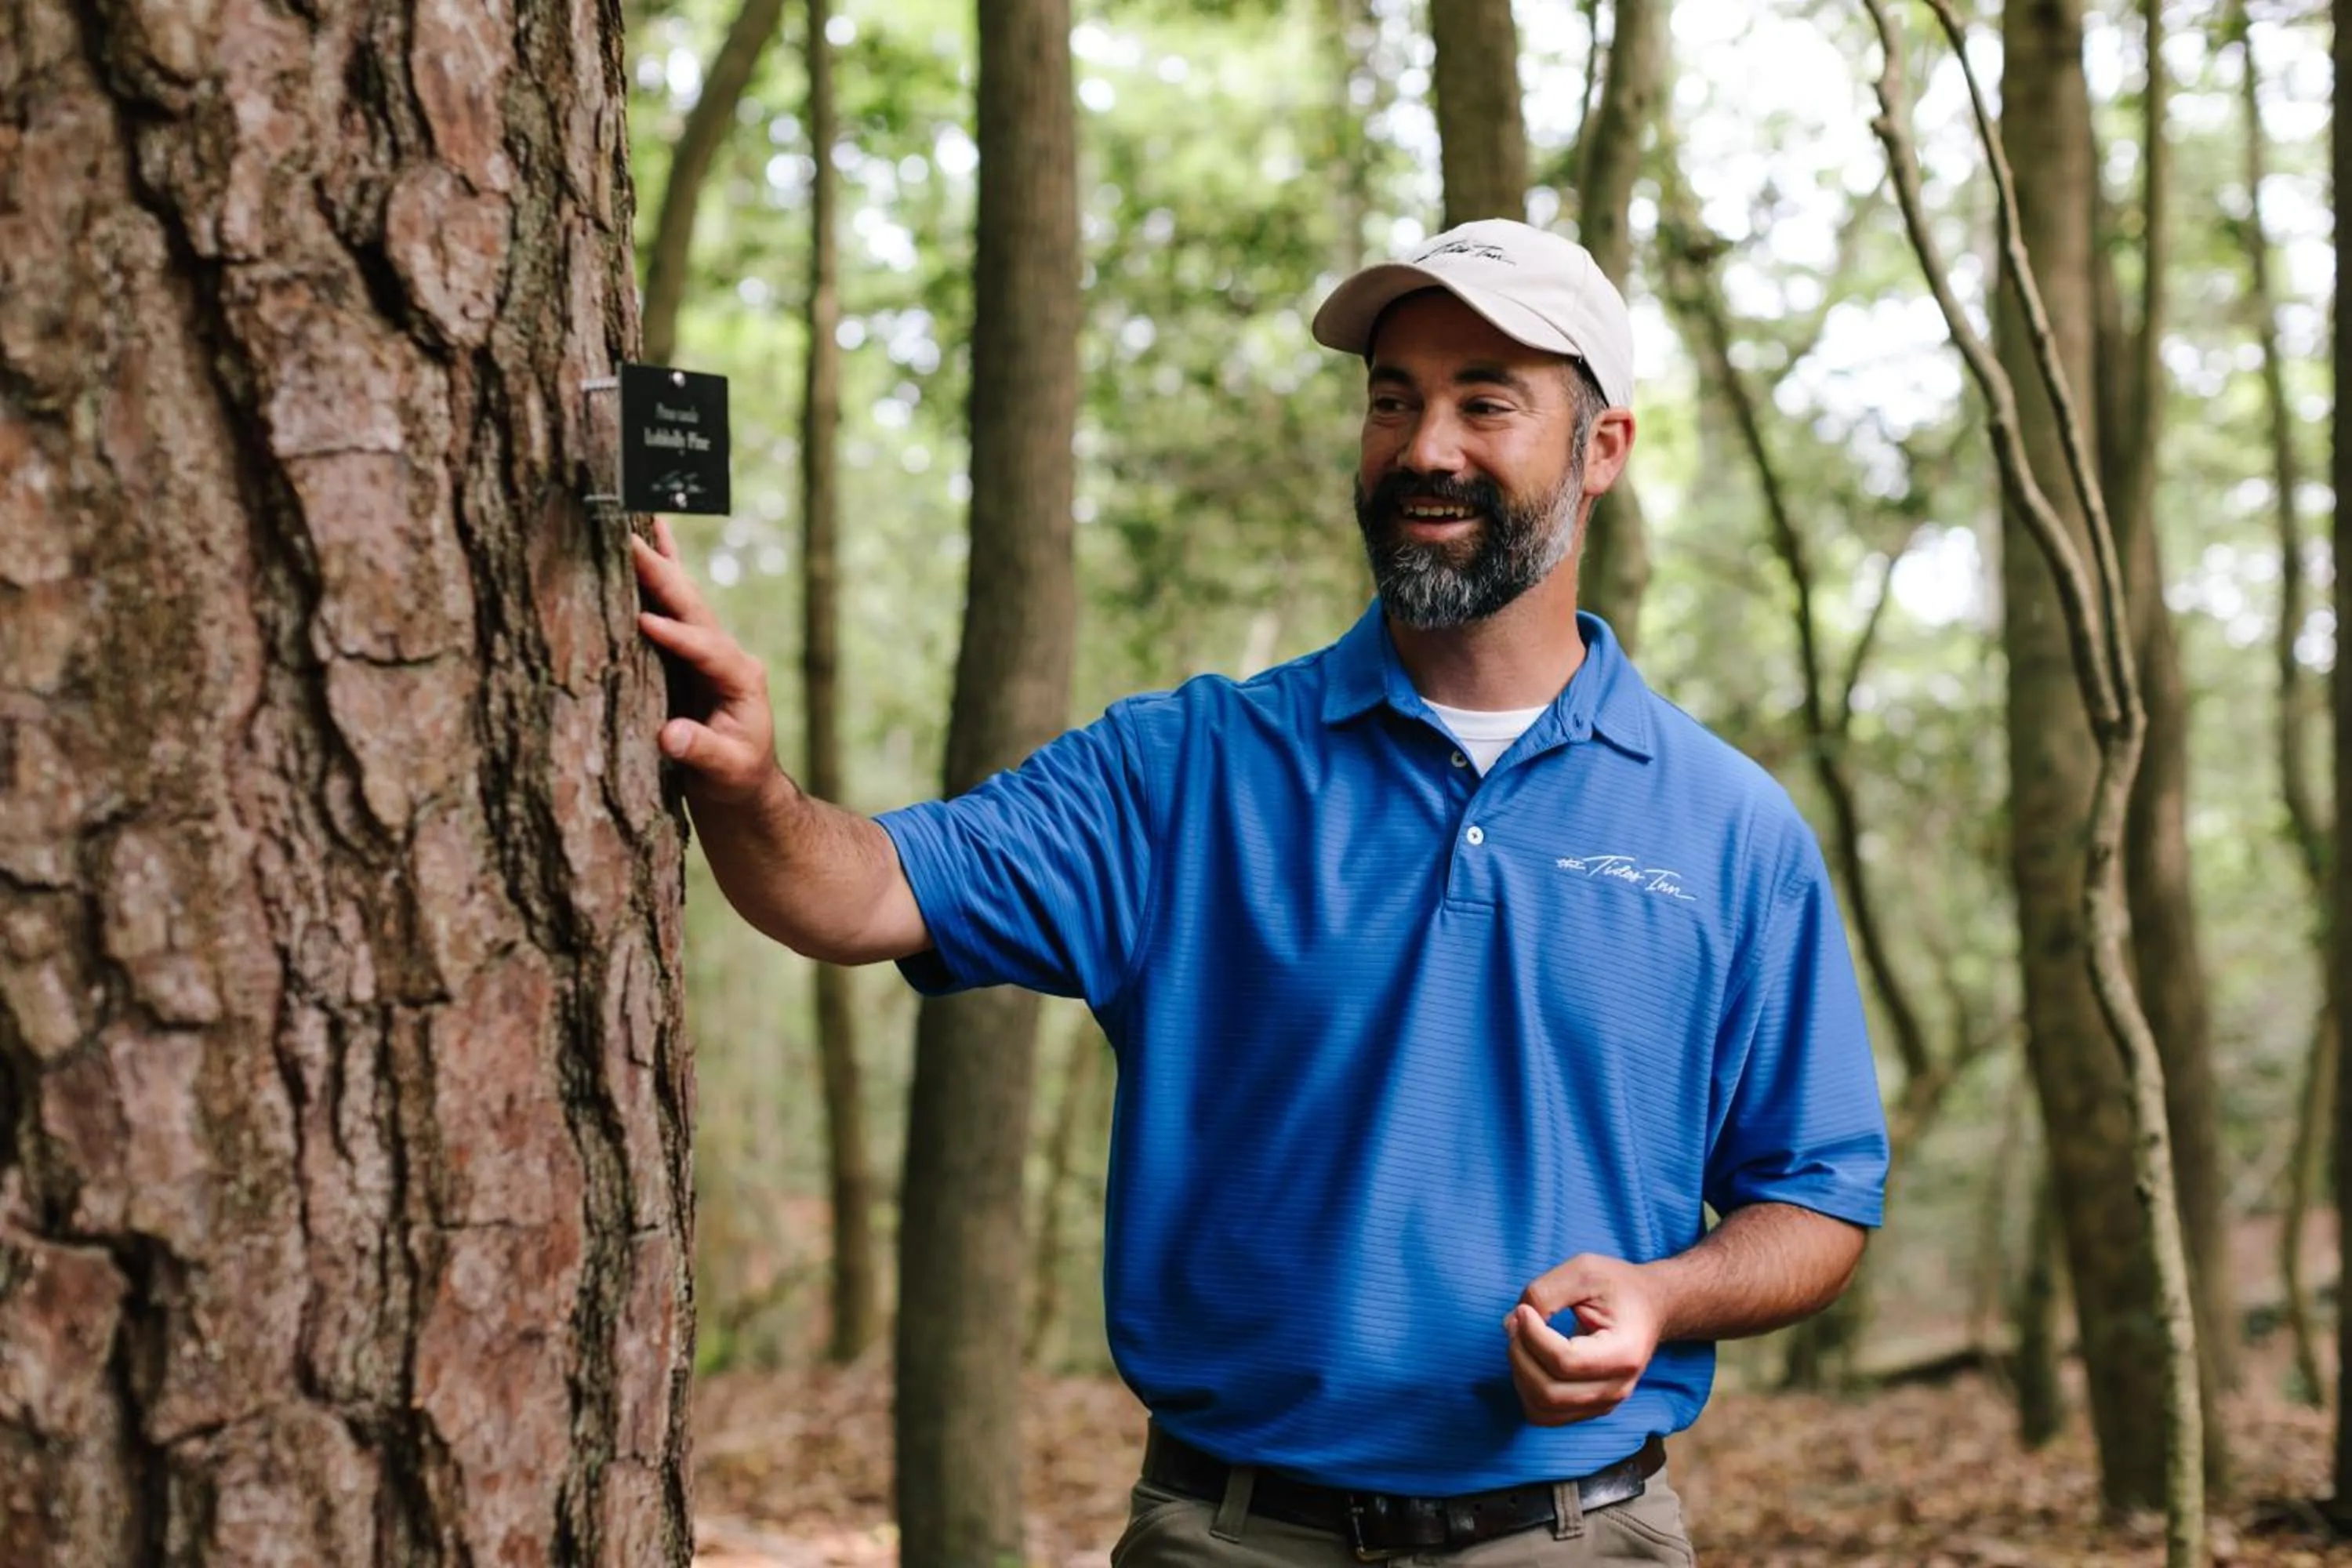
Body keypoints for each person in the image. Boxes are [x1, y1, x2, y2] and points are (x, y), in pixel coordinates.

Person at [633, 217, 1889, 1567]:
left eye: (1487, 402)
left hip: (1578, 1535)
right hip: (1229, 1535)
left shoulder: (1731, 828)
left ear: (1602, 452)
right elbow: (860, 894)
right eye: (1393, 401)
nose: (1426, 449)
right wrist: (748, 783)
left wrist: (1663, 1296)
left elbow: (1816, 1202)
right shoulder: (1187, 768)